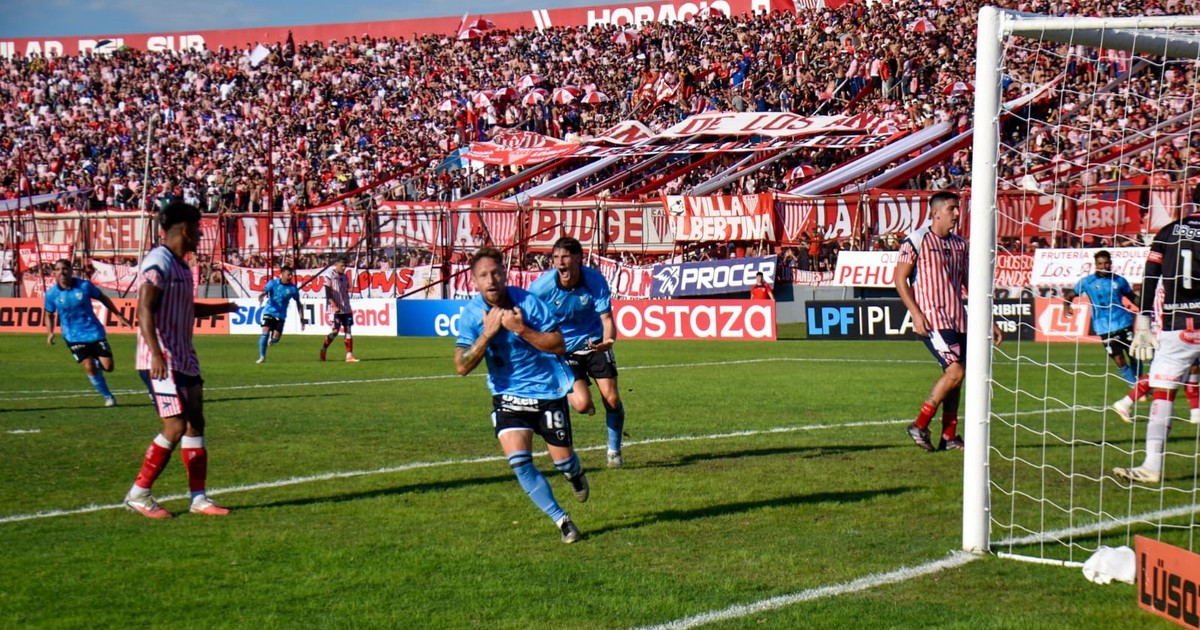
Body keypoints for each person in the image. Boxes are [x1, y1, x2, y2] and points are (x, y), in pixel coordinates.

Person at [455, 247, 588, 543]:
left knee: (563, 462)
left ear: (505, 274)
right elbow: (461, 366)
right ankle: (562, 521)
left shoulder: (528, 303)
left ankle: (574, 473)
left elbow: (558, 344)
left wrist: (521, 329)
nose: (491, 280)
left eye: (495, 273)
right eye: (483, 275)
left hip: (546, 391)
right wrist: (487, 334)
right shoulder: (472, 315)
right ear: (474, 281)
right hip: (507, 395)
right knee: (519, 463)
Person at [124, 201, 240, 518]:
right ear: (186, 230)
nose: (201, 235)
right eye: (198, 229)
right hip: (161, 359)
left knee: (195, 422)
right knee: (175, 426)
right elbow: (144, 310)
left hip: (184, 357)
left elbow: (187, 308)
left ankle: (199, 498)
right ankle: (139, 493)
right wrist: (156, 354)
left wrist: (225, 307)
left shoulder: (181, 266)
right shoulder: (158, 262)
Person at [895, 191, 1002, 452]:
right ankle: (920, 424)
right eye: (952, 208)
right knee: (956, 372)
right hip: (933, 319)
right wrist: (916, 314)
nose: (957, 213)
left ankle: (949, 436)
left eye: (958, 208)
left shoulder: (960, 244)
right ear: (936, 213)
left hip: (959, 320)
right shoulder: (916, 240)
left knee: (957, 376)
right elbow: (900, 280)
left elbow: (971, 285)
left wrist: (988, 320)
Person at [1114, 207, 1200, 483]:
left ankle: (1152, 466)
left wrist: (1143, 319)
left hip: (1179, 324)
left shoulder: (1168, 231)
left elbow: (1150, 276)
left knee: (1163, 391)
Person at [528, 237, 627, 468]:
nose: (560, 262)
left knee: (612, 399)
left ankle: (614, 451)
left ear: (578, 259)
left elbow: (606, 318)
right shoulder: (541, 288)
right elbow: (527, 315)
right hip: (563, 349)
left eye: (565, 257)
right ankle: (575, 397)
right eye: (556, 258)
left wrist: (608, 341)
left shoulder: (594, 280)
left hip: (594, 342)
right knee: (582, 405)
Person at [44, 258, 133, 407]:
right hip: (73, 336)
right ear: (54, 273)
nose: (61, 272)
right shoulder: (52, 294)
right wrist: (50, 332)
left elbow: (102, 298)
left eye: (64, 269)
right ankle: (108, 397)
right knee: (88, 367)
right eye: (58, 269)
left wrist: (118, 315)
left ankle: (97, 363)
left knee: (109, 367)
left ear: (71, 270)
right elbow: (48, 314)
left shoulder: (84, 286)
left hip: (94, 332)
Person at [1062, 250, 1140, 383]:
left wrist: (1146, 307)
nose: (1103, 266)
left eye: (1106, 263)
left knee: (1134, 355)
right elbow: (1070, 295)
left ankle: (1139, 385)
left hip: (1123, 322)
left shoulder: (1119, 280)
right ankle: (1135, 386)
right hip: (1104, 327)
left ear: (1110, 263)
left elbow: (1132, 297)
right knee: (1119, 360)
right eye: (1100, 264)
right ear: (1096, 265)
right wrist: (1066, 306)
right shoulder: (1087, 282)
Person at [256, 264, 306, 363]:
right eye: (288, 275)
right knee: (265, 333)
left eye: (291, 275)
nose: (290, 277)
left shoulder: (293, 289)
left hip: (280, 315)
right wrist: (262, 295)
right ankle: (262, 357)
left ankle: (272, 340)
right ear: (282, 274)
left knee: (276, 338)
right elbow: (265, 291)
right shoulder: (273, 283)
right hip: (269, 311)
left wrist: (302, 319)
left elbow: (298, 303)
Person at [319, 258, 358, 362]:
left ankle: (349, 355)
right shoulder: (330, 275)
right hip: (334, 309)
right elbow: (328, 293)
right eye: (342, 265)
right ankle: (324, 349)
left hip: (346, 308)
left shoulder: (345, 277)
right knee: (335, 331)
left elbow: (345, 291)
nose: (344, 268)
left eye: (345, 266)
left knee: (348, 329)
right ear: (337, 264)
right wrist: (334, 305)